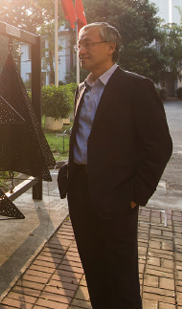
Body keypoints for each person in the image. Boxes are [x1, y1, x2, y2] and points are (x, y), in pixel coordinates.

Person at [58, 22, 172, 308]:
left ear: (111, 47)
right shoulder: (83, 88)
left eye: (88, 43)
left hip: (118, 196)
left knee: (121, 278)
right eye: (79, 45)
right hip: (81, 193)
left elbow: (159, 146)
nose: (81, 50)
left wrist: (136, 195)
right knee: (94, 270)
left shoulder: (136, 87)